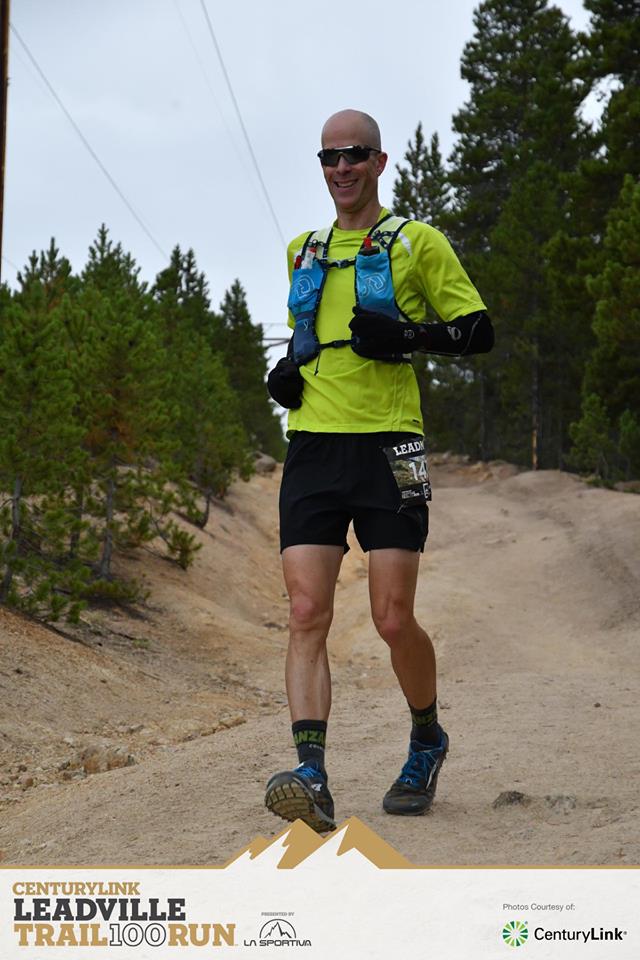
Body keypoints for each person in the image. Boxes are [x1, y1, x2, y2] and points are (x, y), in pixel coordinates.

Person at [265, 109, 493, 833]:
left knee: (393, 618)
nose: (342, 168)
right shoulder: (303, 249)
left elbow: (477, 331)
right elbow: (311, 337)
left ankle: (427, 735)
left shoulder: (418, 243)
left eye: (355, 154)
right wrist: (285, 374)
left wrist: (410, 335)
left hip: (396, 445)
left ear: (380, 161)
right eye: (330, 157)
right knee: (306, 612)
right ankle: (312, 774)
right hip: (312, 447)